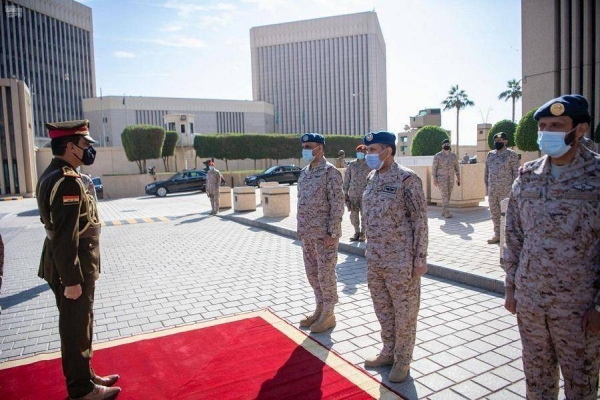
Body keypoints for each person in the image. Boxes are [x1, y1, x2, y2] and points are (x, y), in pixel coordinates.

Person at [503, 94, 600, 399]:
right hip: (531, 301)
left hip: (579, 306)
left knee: (581, 384)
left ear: (580, 129)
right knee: (537, 378)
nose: (547, 132)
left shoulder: (597, 176)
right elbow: (514, 235)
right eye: (543, 126)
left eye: (557, 125)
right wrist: (511, 286)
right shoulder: (527, 175)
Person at [36, 120, 120, 400]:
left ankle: (86, 374)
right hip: (73, 267)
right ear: (70, 146)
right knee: (75, 329)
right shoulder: (67, 181)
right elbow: (65, 236)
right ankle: (81, 390)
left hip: (69, 263)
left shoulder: (54, 174)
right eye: (85, 144)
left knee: (80, 324)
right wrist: (71, 280)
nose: (89, 150)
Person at [361, 131, 428, 383]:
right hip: (375, 258)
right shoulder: (371, 177)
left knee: (405, 313)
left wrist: (420, 257)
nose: (369, 155)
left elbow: (420, 220)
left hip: (401, 261)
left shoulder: (407, 179)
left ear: (388, 150)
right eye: (367, 151)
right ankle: (388, 351)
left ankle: (403, 360)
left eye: (373, 150)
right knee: (383, 310)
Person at [297, 133, 344, 333]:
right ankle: (320, 308)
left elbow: (337, 204)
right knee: (313, 275)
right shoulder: (304, 173)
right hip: (307, 234)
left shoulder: (330, 173)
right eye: (304, 146)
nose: (306, 149)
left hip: (324, 236)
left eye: (310, 146)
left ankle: (329, 314)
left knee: (326, 275)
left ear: (320, 148)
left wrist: (332, 234)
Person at [484, 132, 519, 244]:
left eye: (500, 141)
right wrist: (487, 186)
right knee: (494, 213)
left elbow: (516, 173)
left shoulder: (511, 154)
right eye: (496, 141)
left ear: (505, 141)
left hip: (506, 190)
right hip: (493, 189)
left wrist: (515, 189)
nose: (498, 143)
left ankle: (507, 236)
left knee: (507, 214)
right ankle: (497, 234)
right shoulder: (490, 154)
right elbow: (486, 171)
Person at [343, 144, 371, 241]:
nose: (360, 154)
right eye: (359, 152)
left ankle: (363, 234)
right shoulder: (352, 165)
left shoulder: (370, 165)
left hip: (365, 195)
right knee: (353, 215)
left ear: (366, 153)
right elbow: (347, 179)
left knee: (364, 215)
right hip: (353, 195)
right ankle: (356, 232)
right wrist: (345, 193)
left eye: (362, 152)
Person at [432, 139, 460, 218]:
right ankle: (446, 211)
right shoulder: (438, 156)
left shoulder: (453, 156)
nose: (446, 145)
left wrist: (458, 178)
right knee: (444, 194)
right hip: (441, 179)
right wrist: (434, 178)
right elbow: (434, 168)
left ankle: (444, 210)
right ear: (442, 146)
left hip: (451, 178)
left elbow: (457, 167)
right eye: (445, 144)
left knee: (448, 194)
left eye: (448, 144)